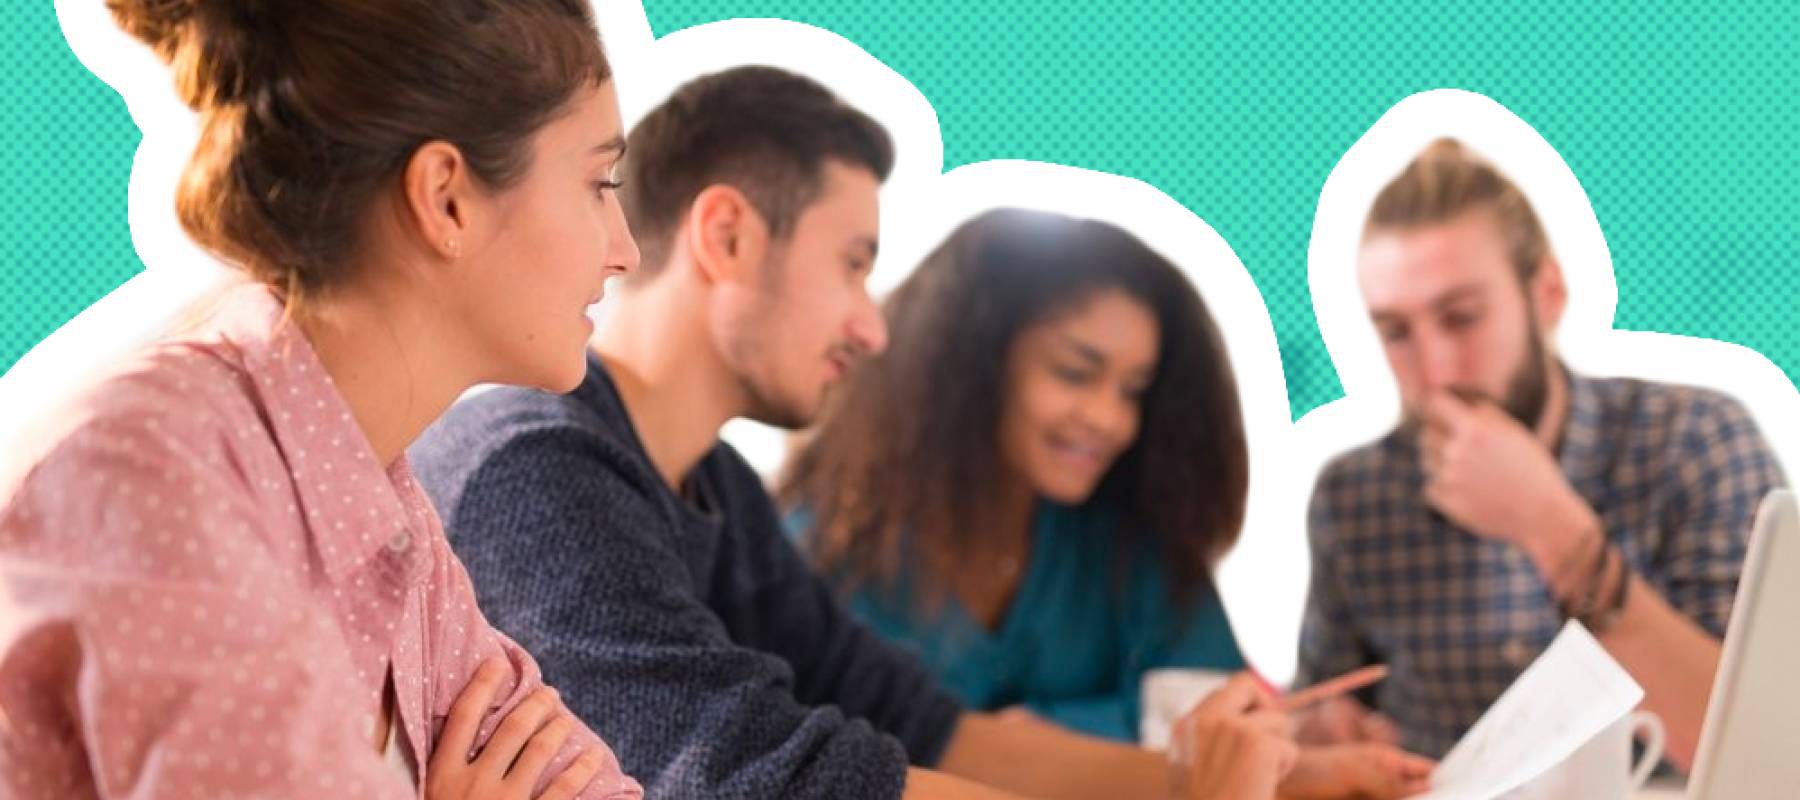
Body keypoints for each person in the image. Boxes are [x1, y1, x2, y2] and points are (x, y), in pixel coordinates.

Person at [412, 65, 1429, 800]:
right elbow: (743, 778)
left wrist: (1261, 782)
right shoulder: (535, 463)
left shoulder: (713, 486)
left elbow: (917, 722)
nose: (873, 321)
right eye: (853, 262)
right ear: (726, 235)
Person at [0, 1, 646, 797]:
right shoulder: (140, 474)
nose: (624, 251)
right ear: (446, 198)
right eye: (597, 183)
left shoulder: (381, 510)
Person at [1295, 138, 1785, 770]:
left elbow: (1761, 755)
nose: (1436, 371)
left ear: (1547, 294)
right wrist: (1321, 735)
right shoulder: (1352, 496)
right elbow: (1321, 706)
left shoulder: (1695, 442)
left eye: (1462, 317)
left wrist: (1550, 528)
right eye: (1396, 333)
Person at [780, 208, 1250, 743]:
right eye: (1074, 373)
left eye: (1133, 391)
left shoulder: (1131, 544)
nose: (1109, 420)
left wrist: (1037, 737)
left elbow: (1224, 722)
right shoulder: (823, 548)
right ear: (970, 367)